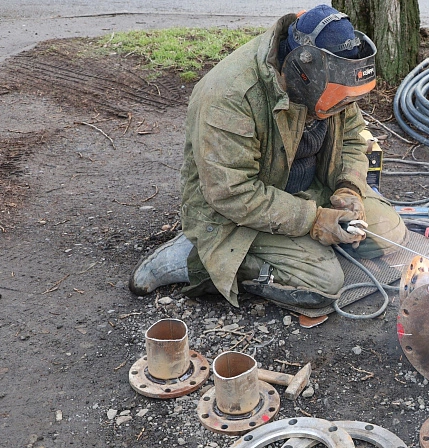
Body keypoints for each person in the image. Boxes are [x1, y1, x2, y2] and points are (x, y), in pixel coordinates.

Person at [128, 5, 406, 310]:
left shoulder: (332, 72)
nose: (342, 107)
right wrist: (313, 219)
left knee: (389, 231)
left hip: (306, 189)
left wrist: (348, 188)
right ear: (303, 72)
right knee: (323, 284)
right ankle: (199, 258)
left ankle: (302, 244)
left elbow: (353, 136)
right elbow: (232, 194)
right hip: (237, 211)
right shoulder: (230, 95)